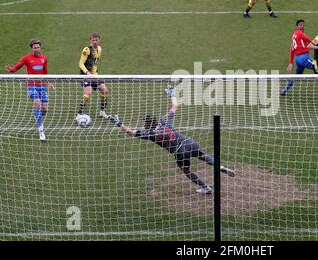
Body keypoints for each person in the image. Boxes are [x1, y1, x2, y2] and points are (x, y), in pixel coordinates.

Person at [107, 86, 236, 195]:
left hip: (180, 152)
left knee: (186, 171)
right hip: (190, 142)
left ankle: (205, 188)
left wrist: (118, 123)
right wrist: (172, 94)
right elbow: (175, 106)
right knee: (203, 156)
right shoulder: (164, 121)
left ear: (147, 124)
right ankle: (220, 166)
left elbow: (130, 132)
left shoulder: (150, 134)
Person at [4, 39, 55, 141]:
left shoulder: (44, 58)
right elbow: (17, 67)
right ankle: (41, 131)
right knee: (37, 102)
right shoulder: (26, 58)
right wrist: (11, 69)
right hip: (31, 86)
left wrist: (49, 82)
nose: (37, 49)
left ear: (40, 47)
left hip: (42, 86)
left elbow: (45, 72)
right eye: (35, 47)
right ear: (32, 48)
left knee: (45, 109)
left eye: (38, 47)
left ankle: (38, 114)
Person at [76, 32, 109, 120]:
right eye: (93, 40)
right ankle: (79, 114)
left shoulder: (99, 49)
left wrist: (95, 73)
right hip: (85, 75)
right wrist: (87, 73)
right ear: (90, 40)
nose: (95, 42)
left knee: (105, 90)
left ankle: (102, 112)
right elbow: (81, 64)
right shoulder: (87, 50)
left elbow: (95, 63)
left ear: (99, 40)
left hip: (94, 75)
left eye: (96, 40)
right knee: (88, 92)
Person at [280, 19, 317, 95]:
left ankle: (285, 90)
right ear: (297, 26)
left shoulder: (294, 34)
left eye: (303, 25)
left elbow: (291, 49)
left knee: (297, 76)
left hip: (298, 59)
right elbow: (312, 41)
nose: (302, 26)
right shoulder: (300, 34)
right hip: (304, 58)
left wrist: (291, 63)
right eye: (300, 25)